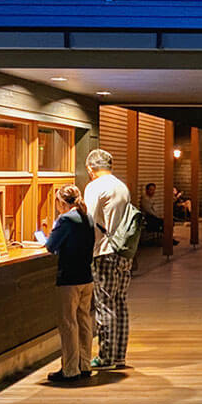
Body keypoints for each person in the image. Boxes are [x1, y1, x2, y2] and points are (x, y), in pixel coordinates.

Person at [84, 149, 133, 369]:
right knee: (120, 302)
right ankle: (119, 355)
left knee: (104, 304)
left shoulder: (95, 187)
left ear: (90, 169)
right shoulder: (122, 186)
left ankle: (105, 357)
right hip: (124, 252)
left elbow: (90, 221)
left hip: (104, 251)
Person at [44, 185, 95, 384]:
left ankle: (70, 369)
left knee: (68, 324)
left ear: (62, 203)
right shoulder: (87, 217)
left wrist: (50, 229)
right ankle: (85, 364)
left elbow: (51, 246)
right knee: (84, 321)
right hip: (86, 277)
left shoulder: (65, 219)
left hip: (69, 278)